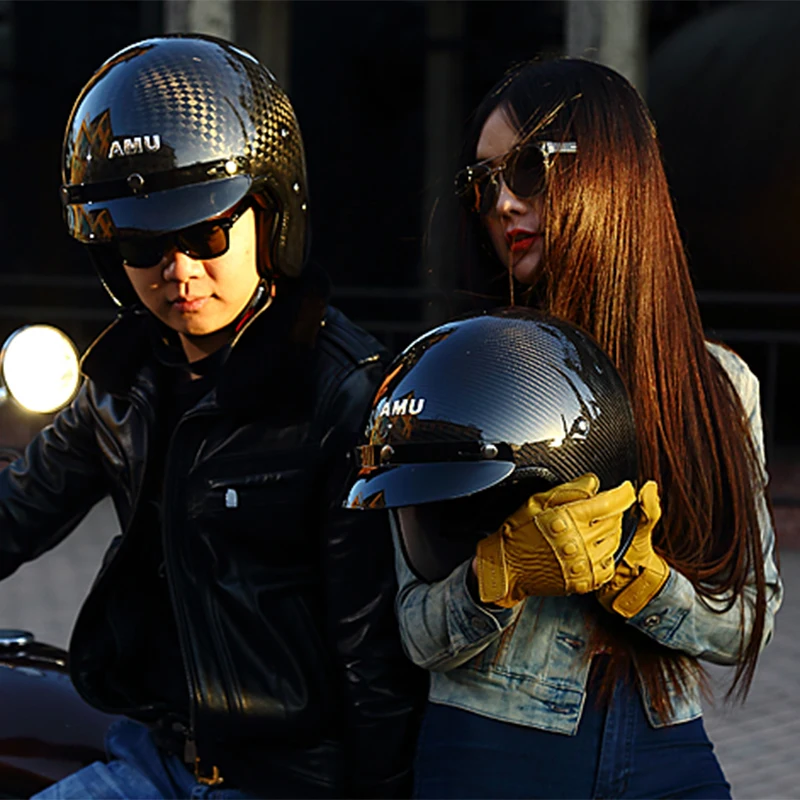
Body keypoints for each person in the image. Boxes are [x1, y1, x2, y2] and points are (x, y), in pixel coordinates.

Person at [0, 34, 423, 800]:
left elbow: (373, 655)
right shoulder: (120, 383)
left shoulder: (341, 395)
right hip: (151, 760)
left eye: (206, 233)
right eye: (143, 245)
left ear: (270, 212)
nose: (180, 271)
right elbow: (14, 511)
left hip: (288, 783)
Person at [355, 58, 782, 799]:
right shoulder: (455, 373)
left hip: (667, 745)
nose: (502, 202)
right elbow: (418, 630)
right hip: (496, 744)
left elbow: (750, 619)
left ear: (613, 175)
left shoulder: (715, 384)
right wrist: (499, 576)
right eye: (483, 181)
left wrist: (644, 583)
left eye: (527, 169)